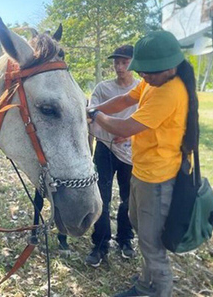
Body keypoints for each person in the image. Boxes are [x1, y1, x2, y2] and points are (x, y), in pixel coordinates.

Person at [86, 31, 198, 297]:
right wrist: (95, 108)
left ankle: (157, 289)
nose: (144, 76)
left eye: (150, 72)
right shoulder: (153, 81)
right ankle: (145, 286)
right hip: (143, 171)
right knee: (141, 228)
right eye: (143, 71)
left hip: (159, 179)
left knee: (152, 246)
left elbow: (126, 125)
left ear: (170, 66)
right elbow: (125, 100)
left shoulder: (170, 92)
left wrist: (97, 115)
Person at [84, 45, 139, 267]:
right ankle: (100, 245)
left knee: (129, 198)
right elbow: (91, 114)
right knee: (102, 197)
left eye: (124, 62)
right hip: (105, 148)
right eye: (116, 62)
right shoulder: (103, 88)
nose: (119, 66)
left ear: (133, 63)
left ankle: (125, 239)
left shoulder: (142, 89)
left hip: (131, 151)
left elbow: (148, 122)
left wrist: (130, 136)